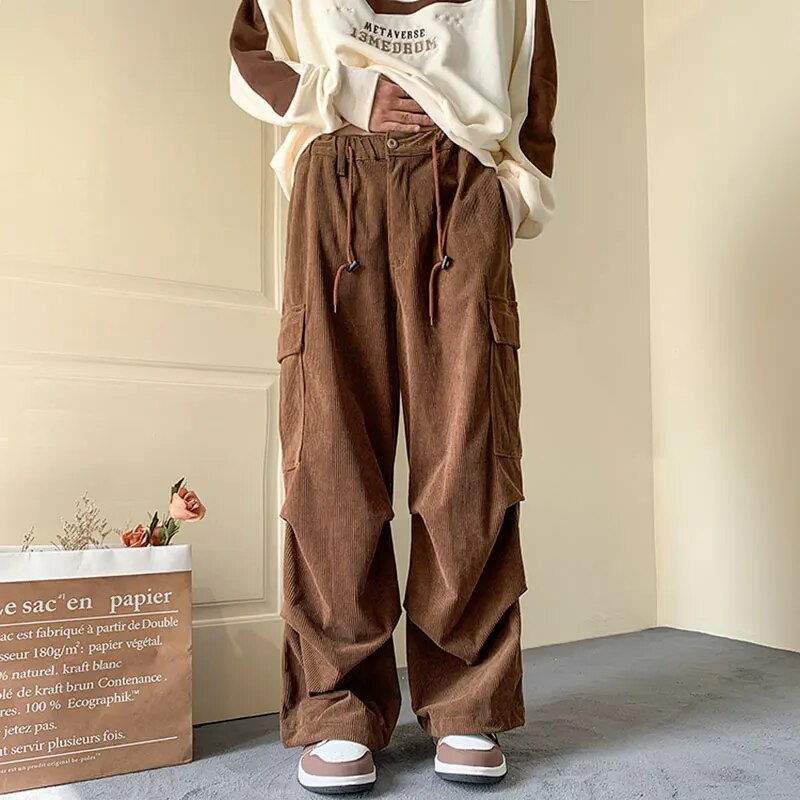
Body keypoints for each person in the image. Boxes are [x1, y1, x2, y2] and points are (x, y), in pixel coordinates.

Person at [229, 0, 557, 793]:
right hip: (336, 182)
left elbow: (534, 96)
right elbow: (248, 55)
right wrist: (343, 93)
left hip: (462, 188)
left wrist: (509, 197)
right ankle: (338, 704)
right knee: (330, 458)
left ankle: (469, 698)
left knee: (469, 454)